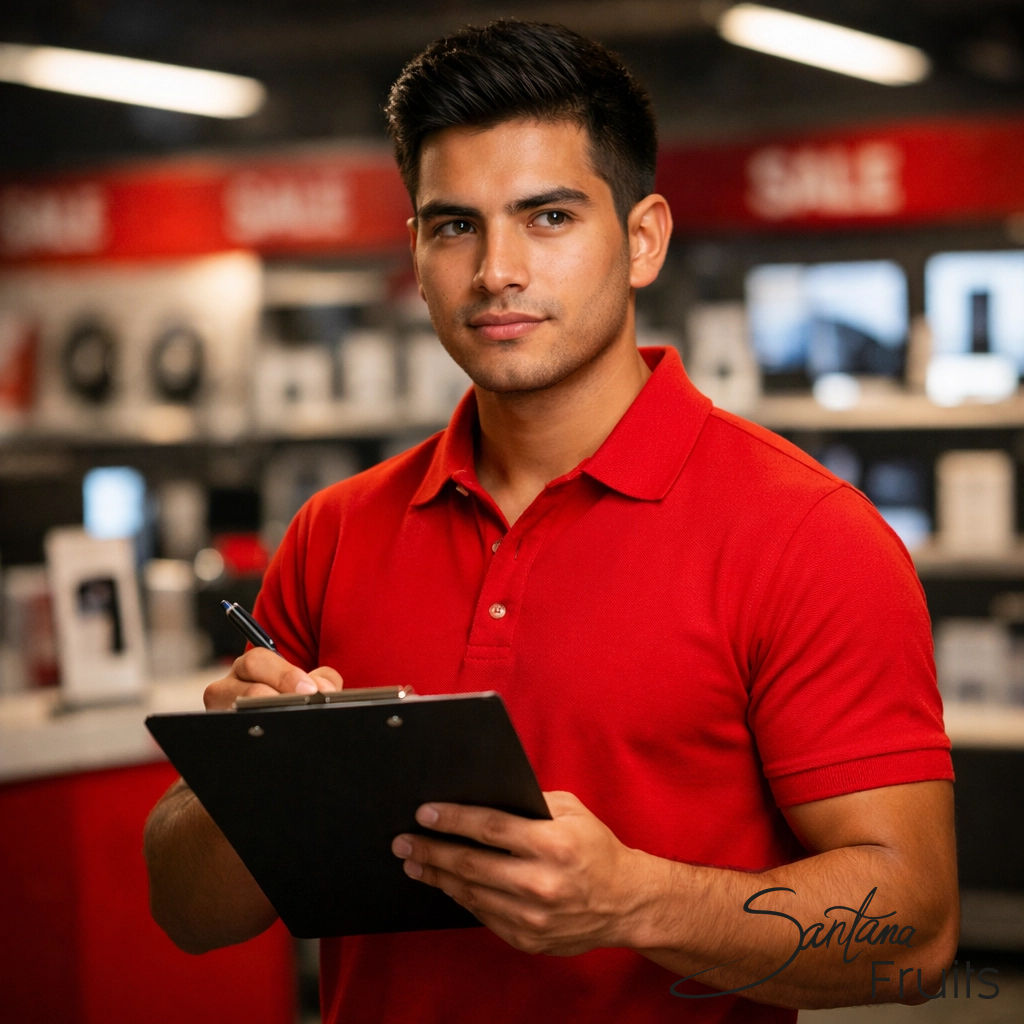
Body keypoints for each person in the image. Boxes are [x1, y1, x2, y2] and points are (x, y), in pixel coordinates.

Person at [144, 19, 958, 1023]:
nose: (495, 270)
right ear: (416, 251)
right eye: (454, 226)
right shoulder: (336, 529)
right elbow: (186, 912)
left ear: (644, 238)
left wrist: (635, 899)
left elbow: (911, 932)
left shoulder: (807, 533)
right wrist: (254, 778)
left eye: (548, 217)